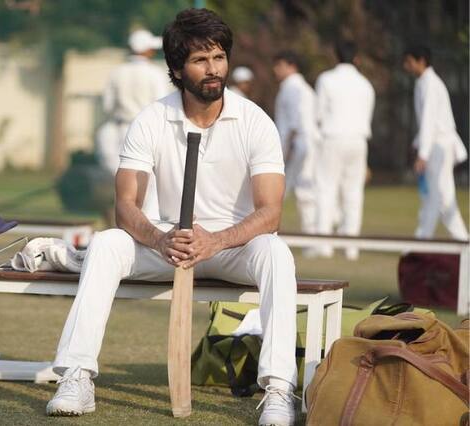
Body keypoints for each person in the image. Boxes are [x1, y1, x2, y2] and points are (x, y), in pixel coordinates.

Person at [46, 8, 298, 426]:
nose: (213, 69)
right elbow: (126, 204)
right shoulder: (151, 120)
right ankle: (76, 375)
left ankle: (278, 389)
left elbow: (270, 212)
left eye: (219, 57)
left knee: (276, 252)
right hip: (167, 245)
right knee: (107, 243)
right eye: (200, 60)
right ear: (177, 69)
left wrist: (216, 240)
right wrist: (159, 239)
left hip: (231, 248)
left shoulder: (256, 122)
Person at [95, 28, 170, 220]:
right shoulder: (155, 73)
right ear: (147, 50)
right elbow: (161, 106)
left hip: (119, 129)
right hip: (146, 131)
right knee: (148, 183)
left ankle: (124, 220)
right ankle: (143, 224)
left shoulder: (116, 72)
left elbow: (107, 106)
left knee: (122, 182)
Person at [314, 40, 375, 260]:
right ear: (356, 58)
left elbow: (318, 114)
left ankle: (324, 246)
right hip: (358, 141)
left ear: (336, 56)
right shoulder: (366, 84)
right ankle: (351, 248)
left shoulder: (326, 79)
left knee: (326, 189)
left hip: (333, 138)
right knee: (354, 192)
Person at [403, 45, 468, 240]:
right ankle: (464, 242)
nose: (406, 66)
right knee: (444, 198)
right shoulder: (423, 83)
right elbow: (427, 121)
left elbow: (430, 121)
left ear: (421, 61)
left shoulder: (431, 84)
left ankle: (422, 240)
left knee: (435, 195)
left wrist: (422, 154)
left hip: (439, 146)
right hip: (435, 144)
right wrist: (418, 144)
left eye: (409, 61)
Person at [273, 51, 318, 236]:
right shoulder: (305, 88)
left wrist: (287, 150)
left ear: (291, 66)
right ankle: (312, 236)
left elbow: (294, 123)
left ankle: (310, 236)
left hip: (296, 146)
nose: (275, 70)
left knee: (279, 192)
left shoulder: (292, 88)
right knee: (304, 191)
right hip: (305, 144)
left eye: (279, 65)